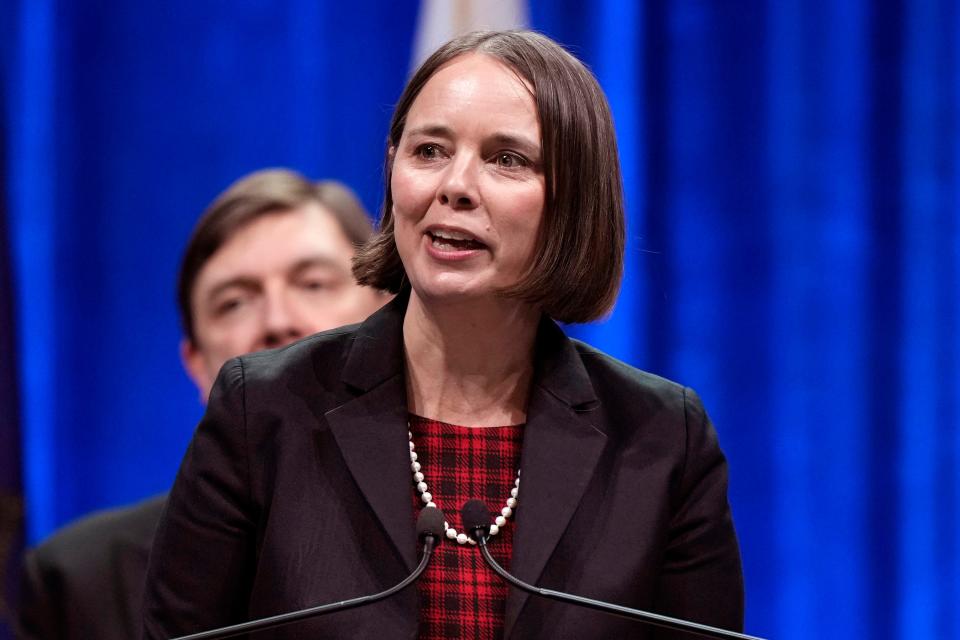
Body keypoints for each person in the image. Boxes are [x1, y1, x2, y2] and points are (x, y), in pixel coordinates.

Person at [143, 31, 744, 640]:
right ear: (393, 170)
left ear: (574, 203)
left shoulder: (663, 440)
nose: (453, 186)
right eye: (429, 150)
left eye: (507, 159)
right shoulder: (262, 412)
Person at [16, 169, 388, 640]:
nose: (277, 321)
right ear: (195, 364)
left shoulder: (457, 536)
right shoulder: (81, 580)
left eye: (313, 284)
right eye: (234, 303)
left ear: (388, 317)